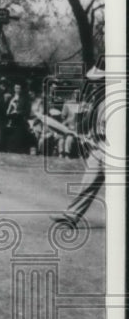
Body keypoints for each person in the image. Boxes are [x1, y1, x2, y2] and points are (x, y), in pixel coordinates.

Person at [53, 62, 107, 227]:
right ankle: (71, 216)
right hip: (99, 148)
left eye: (97, 81)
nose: (93, 84)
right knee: (88, 183)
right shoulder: (97, 100)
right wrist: (87, 135)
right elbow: (88, 124)